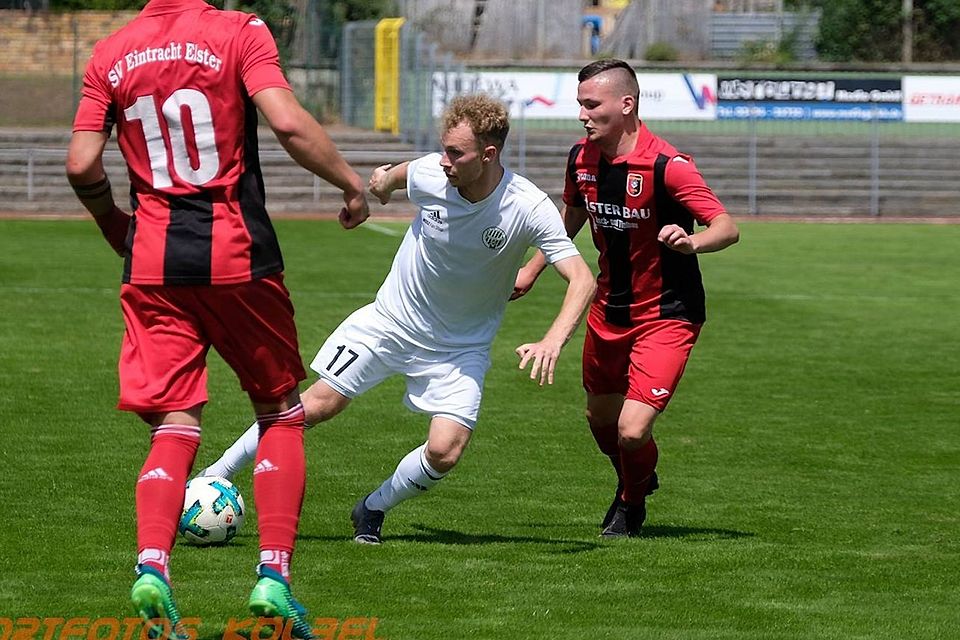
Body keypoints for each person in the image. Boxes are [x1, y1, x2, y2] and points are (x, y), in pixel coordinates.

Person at [65, 1, 369, 637]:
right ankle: (273, 577)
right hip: (236, 256)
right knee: (281, 410)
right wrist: (349, 183)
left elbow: (81, 164)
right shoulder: (240, 30)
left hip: (151, 264)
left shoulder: (110, 51)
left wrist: (112, 223)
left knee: (175, 426)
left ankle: (153, 564)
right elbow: (286, 123)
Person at [200, 93, 596, 544]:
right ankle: (215, 477)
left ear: (488, 155)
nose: (445, 161)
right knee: (317, 405)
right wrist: (380, 185)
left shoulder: (527, 206)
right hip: (389, 322)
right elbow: (394, 179)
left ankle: (372, 508)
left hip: (459, 348)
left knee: (446, 451)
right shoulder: (432, 171)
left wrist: (552, 340)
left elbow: (582, 279)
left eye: (456, 153)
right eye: (444, 148)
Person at [513, 59, 740, 537]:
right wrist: (533, 268)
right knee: (600, 420)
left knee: (632, 430)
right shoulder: (581, 158)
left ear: (627, 104)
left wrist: (692, 242)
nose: (582, 114)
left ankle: (630, 502)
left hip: (666, 313)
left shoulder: (668, 167)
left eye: (591, 105)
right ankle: (636, 475)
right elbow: (572, 213)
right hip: (608, 308)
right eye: (580, 104)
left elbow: (727, 227)